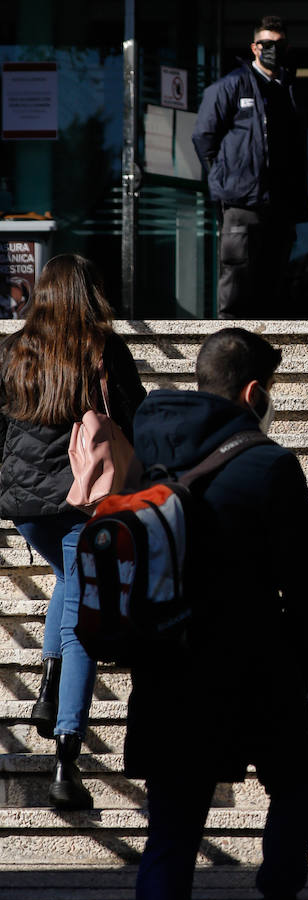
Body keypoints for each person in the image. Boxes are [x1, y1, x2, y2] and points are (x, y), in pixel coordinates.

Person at [127, 327, 308, 900]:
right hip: (254, 671)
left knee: (171, 837)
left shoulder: (144, 447)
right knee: (296, 785)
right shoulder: (271, 466)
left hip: (166, 671)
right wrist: (296, 670)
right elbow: (307, 589)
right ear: (253, 393)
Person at [0, 253, 145, 809]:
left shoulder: (13, 352)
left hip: (25, 505)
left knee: (68, 575)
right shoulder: (104, 349)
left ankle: (46, 687)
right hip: (84, 499)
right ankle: (65, 757)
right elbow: (135, 421)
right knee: (83, 612)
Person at [192, 14, 308, 319]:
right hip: (243, 201)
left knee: (273, 280)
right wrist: (225, 176)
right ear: (254, 47)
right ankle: (229, 347)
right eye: (267, 43)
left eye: (279, 44)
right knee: (236, 278)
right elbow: (203, 136)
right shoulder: (231, 86)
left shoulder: (289, 89)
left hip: (281, 205)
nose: (273, 49)